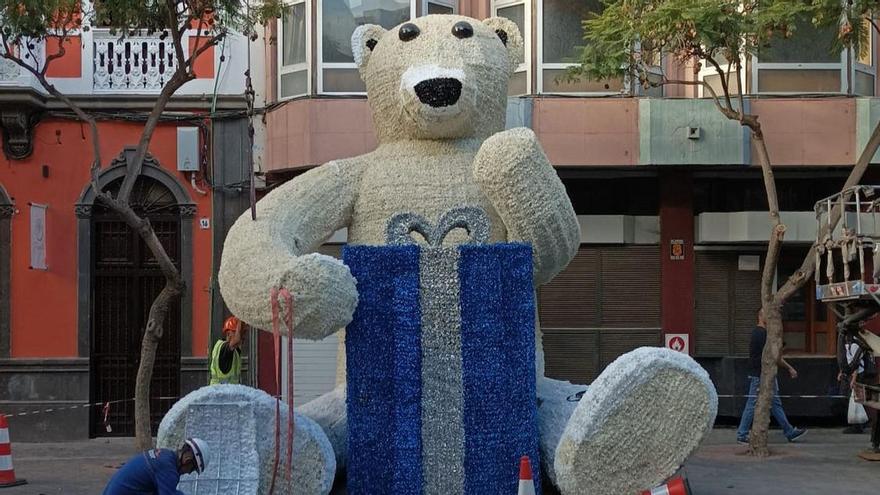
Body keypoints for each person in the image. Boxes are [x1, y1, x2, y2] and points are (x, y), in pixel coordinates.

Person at [736, 309, 807, 444]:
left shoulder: (758, 333)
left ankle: (789, 431)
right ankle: (742, 433)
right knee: (753, 403)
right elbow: (775, 356)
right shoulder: (762, 334)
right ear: (760, 316)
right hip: (761, 375)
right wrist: (790, 368)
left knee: (774, 404)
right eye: (766, 315)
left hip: (762, 374)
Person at [102, 438, 209, 495]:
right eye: (192, 469)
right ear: (187, 460)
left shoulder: (165, 454)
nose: (189, 473)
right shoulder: (168, 470)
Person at [210, 316, 247, 385]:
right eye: (240, 333)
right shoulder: (224, 348)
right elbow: (237, 340)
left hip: (228, 393)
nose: (243, 336)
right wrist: (241, 315)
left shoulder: (235, 351)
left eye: (244, 333)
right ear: (228, 334)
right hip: (220, 392)